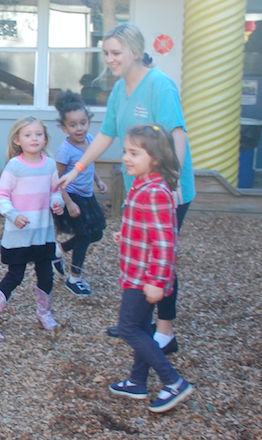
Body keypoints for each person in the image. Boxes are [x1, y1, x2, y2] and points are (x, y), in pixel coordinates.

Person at [56, 23, 196, 354]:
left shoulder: (160, 86)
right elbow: (106, 134)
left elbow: (177, 134)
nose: (110, 59)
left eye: (115, 53)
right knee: (138, 253)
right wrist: (75, 170)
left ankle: (164, 332)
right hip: (139, 189)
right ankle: (137, 322)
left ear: (134, 50)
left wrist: (170, 180)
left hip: (167, 190)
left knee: (160, 257)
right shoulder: (120, 90)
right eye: (106, 53)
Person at [109, 123, 193, 413]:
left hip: (145, 277)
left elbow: (165, 242)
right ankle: (137, 381)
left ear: (155, 158)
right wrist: (126, 234)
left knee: (128, 328)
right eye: (125, 151)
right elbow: (148, 230)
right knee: (143, 326)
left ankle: (173, 381)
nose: (126, 157)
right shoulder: (143, 184)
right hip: (138, 272)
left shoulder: (156, 191)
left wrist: (157, 280)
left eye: (134, 153)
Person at [0, 116, 65, 339]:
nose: (34, 138)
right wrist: (13, 214)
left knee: (46, 275)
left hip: (43, 235)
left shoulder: (49, 165)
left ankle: (44, 312)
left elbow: (56, 190)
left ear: (45, 139)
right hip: (19, 236)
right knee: (15, 276)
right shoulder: (15, 166)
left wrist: (58, 202)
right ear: (18, 140)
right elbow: (2, 195)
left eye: (38, 134)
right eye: (28, 135)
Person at [52, 90, 108, 296]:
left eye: (83, 123)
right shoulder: (65, 150)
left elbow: (88, 165)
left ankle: (59, 250)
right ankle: (74, 279)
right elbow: (57, 181)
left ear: (88, 122)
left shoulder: (91, 140)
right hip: (72, 196)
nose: (79, 128)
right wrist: (69, 203)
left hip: (87, 196)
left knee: (97, 233)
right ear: (64, 127)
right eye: (73, 125)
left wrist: (99, 181)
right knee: (84, 236)